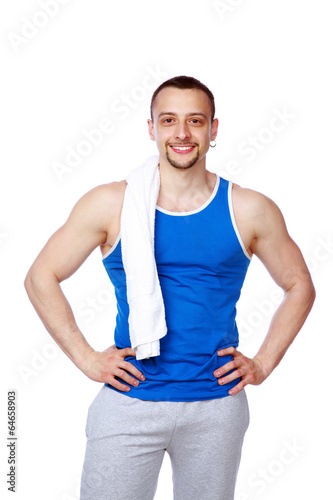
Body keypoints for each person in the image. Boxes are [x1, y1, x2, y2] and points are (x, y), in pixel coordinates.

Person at [24, 76, 315, 500]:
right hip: (130, 400)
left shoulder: (249, 208)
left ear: (213, 130)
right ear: (152, 129)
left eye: (195, 121)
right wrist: (87, 358)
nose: (181, 133)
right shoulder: (112, 203)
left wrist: (264, 363)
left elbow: (299, 286)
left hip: (216, 406)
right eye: (169, 120)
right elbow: (39, 277)